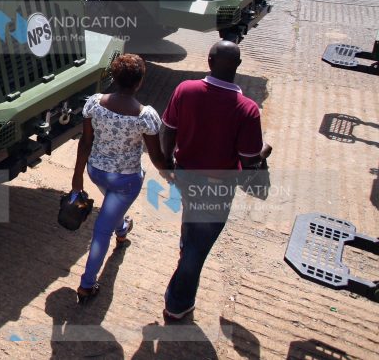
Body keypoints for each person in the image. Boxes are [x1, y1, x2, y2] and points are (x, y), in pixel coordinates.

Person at [160, 41, 272, 324]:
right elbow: (249, 162)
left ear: (209, 61)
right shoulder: (247, 109)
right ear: (238, 65)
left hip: (185, 176)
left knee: (191, 232)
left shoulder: (185, 89)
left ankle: (184, 265)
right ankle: (177, 305)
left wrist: (167, 165)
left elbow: (168, 131)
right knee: (198, 248)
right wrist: (265, 150)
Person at [70, 54, 170, 303]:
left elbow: (86, 142)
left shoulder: (94, 104)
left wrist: (77, 178)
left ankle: (122, 228)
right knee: (101, 232)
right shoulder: (146, 116)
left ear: (113, 78)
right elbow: (156, 157)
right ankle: (86, 286)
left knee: (112, 212)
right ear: (139, 83)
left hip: (96, 172)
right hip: (125, 182)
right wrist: (171, 171)